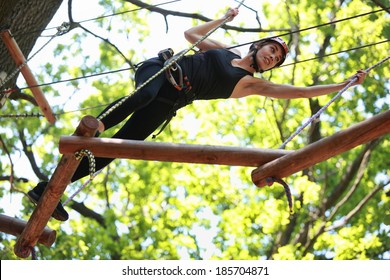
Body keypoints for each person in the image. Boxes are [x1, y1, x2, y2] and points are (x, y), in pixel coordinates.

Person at [27, 7, 367, 221]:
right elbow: (191, 35)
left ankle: (46, 190)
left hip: (170, 102)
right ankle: (99, 123)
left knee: (114, 151)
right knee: (143, 95)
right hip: (162, 71)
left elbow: (302, 92)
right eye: (271, 50)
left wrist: (342, 85)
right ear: (259, 46)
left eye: (277, 59)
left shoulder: (252, 85)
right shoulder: (225, 51)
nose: (271, 58)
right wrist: (223, 19)